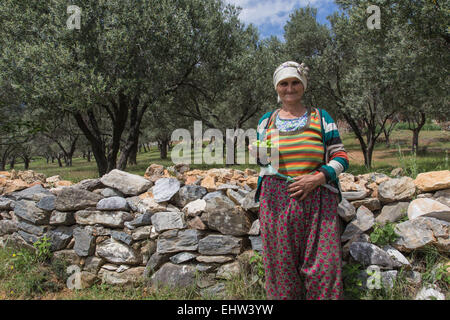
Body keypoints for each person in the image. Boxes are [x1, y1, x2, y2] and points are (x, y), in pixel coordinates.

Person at [250, 61, 349, 300]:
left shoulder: (321, 118)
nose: (290, 88)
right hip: (275, 201)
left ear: (303, 85)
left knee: (324, 268)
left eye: (295, 82)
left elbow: (341, 157)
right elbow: (266, 163)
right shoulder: (267, 121)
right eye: (284, 83)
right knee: (281, 270)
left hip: (318, 199)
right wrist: (257, 152)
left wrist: (316, 178)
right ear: (277, 88)